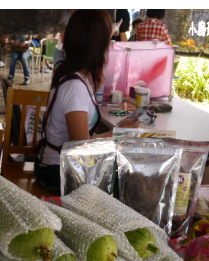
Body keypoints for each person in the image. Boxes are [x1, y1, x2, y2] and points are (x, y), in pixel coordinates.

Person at [34, 10, 139, 194]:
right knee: (132, 179)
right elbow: (81, 147)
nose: (109, 47)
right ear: (96, 46)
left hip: (59, 167)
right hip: (57, 173)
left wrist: (118, 132)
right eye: (107, 41)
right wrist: (120, 134)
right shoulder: (75, 86)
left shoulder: (74, 76)